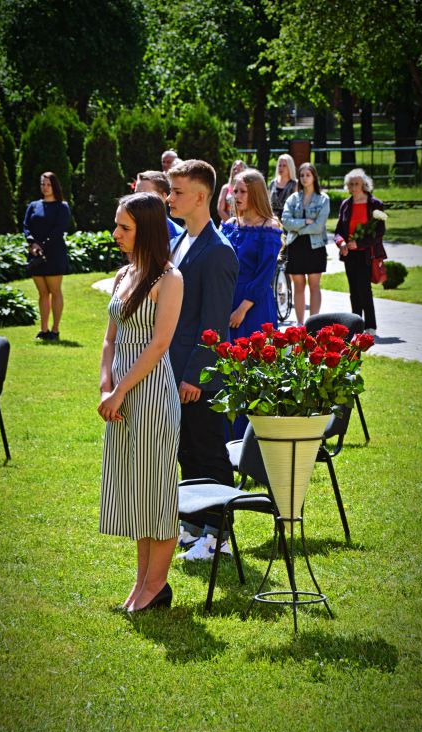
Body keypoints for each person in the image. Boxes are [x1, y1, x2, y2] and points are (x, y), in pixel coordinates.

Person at [98, 192, 183, 612]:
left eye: (124, 227)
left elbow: (159, 344)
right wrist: (105, 387)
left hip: (150, 395)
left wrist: (120, 391)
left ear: (146, 230)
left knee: (157, 492)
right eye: (117, 224)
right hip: (121, 396)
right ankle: (142, 584)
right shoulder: (123, 274)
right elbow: (110, 339)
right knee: (136, 491)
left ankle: (156, 585)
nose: (116, 233)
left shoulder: (170, 278)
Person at [167, 159, 239, 561]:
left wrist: (195, 375)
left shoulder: (218, 251)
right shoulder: (180, 241)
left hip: (200, 378)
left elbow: (214, 325)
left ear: (200, 196)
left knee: (210, 453)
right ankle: (193, 526)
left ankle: (219, 536)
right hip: (173, 370)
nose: (170, 198)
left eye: (177, 192)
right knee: (186, 452)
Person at [221, 168, 283, 439]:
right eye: (234, 190)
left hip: (254, 306)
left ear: (255, 193)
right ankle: (227, 436)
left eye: (242, 191)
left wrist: (242, 308)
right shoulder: (229, 225)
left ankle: (253, 437)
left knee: (254, 368)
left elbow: (265, 274)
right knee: (228, 368)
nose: (236, 196)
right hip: (228, 300)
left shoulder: (269, 229)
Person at [334, 169, 387, 335]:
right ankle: (356, 325)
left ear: (364, 184)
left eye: (356, 183)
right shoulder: (346, 204)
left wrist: (359, 243)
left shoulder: (375, 204)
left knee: (364, 289)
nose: (353, 187)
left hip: (366, 253)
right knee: (354, 291)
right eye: (350, 184)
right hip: (349, 253)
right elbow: (338, 231)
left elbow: (379, 232)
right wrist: (342, 243)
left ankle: (370, 326)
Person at [23, 172, 71, 340]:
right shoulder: (33, 205)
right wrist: (32, 243)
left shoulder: (62, 206)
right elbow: (26, 226)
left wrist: (42, 245)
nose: (45, 187)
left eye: (48, 184)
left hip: (54, 253)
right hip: (35, 255)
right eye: (42, 184)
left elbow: (59, 230)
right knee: (42, 293)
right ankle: (43, 330)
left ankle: (55, 330)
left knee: (55, 291)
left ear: (55, 186)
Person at [282, 162, 330, 325]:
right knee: (298, 286)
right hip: (295, 246)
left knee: (314, 286)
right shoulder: (292, 199)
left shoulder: (323, 199)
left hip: (315, 247)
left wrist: (298, 229)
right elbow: (285, 222)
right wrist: (304, 222)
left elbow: (318, 227)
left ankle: (313, 324)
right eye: (302, 175)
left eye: (308, 175)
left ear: (314, 177)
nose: (304, 178)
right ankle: (300, 324)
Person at [134, 170, 183, 239]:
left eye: (145, 194)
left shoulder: (178, 237)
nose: (136, 199)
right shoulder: (128, 227)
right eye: (136, 194)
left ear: (163, 197)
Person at [268, 153, 297, 219]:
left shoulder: (295, 184)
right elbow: (268, 203)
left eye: (284, 166)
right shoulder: (273, 183)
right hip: (273, 219)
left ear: (290, 167)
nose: (281, 168)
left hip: (288, 219)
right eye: (279, 165)